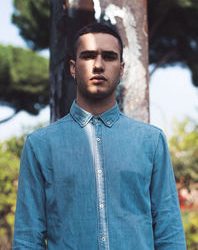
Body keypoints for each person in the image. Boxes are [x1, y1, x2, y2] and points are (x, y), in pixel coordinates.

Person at [13, 23, 186, 249]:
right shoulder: (40, 145)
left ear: (121, 69)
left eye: (109, 57)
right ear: (73, 68)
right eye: (88, 56)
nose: (98, 65)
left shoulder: (151, 142)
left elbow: (169, 232)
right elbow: (27, 238)